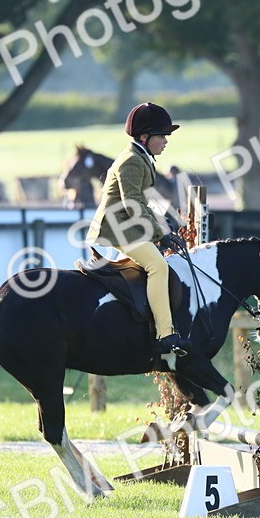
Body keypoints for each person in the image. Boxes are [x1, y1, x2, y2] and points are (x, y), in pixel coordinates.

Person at [86, 101, 190, 360]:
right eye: (161, 135)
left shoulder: (142, 157)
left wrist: (164, 228)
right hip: (118, 227)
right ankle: (165, 334)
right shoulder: (132, 161)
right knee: (158, 266)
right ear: (144, 137)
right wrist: (160, 234)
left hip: (127, 224)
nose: (165, 141)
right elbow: (133, 205)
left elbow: (144, 204)